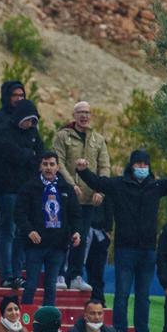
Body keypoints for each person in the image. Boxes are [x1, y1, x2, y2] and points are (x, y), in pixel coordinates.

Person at [77, 150, 167, 332]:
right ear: (131, 165)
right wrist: (83, 171)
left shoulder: (156, 186)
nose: (142, 168)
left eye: (145, 164)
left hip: (148, 249)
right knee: (122, 292)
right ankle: (120, 331)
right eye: (138, 164)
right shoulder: (119, 185)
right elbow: (98, 182)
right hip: (125, 248)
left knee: (144, 295)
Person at [52, 101, 112, 293]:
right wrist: (71, 184)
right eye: (80, 112)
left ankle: (76, 275)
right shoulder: (63, 136)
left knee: (83, 237)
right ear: (74, 115)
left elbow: (104, 166)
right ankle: (59, 273)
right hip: (65, 196)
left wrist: (100, 190)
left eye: (87, 112)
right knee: (62, 235)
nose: (84, 116)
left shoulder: (98, 139)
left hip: (88, 199)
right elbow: (58, 161)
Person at [0, 99, 45, 288]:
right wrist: (28, 155)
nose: (30, 125)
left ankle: (17, 272)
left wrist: (29, 156)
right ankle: (6, 274)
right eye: (28, 120)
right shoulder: (3, 130)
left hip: (27, 189)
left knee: (23, 232)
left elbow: (40, 154)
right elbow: (11, 154)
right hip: (7, 189)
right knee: (9, 231)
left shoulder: (32, 133)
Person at [17, 152, 82, 307]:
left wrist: (76, 231)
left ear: (57, 167)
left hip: (58, 245)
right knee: (31, 284)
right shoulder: (29, 187)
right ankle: (25, 319)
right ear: (40, 166)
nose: (48, 168)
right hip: (35, 244)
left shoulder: (66, 188)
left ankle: (49, 323)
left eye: (52, 164)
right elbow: (19, 213)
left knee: (51, 286)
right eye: (45, 164)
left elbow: (76, 214)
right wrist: (29, 231)